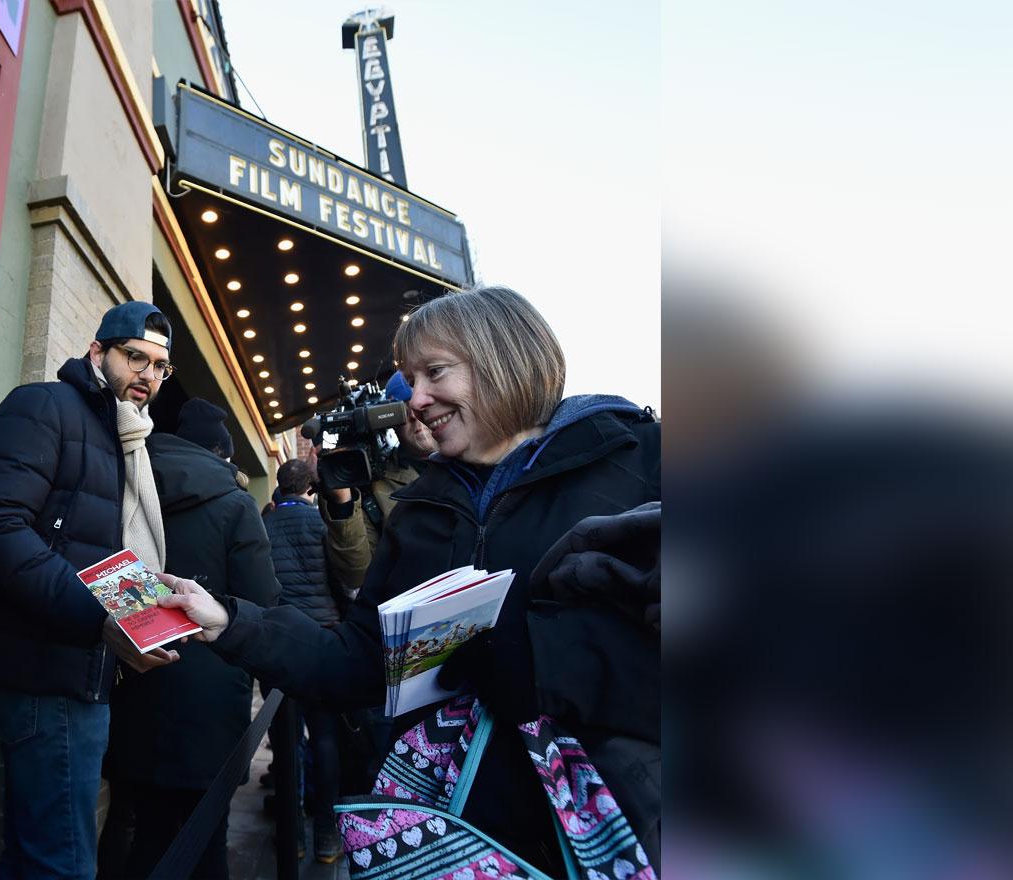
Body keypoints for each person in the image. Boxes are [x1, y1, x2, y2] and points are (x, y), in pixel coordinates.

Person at [160, 285, 662, 875]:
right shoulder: (420, 510)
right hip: (452, 843)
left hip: (619, 829)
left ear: (502, 358)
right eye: (409, 379)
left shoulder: (641, 461)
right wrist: (231, 621)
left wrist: (544, 668)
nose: (415, 401)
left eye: (435, 373)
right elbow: (356, 663)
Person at [0, 300, 182, 880]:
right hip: (48, 676)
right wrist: (100, 617)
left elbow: (97, 549)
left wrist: (148, 607)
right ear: (98, 352)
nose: (147, 374)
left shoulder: (126, 438)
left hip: (80, 674)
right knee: (64, 864)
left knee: (33, 855)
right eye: (134, 358)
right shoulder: (46, 406)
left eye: (159, 366)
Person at [97, 398, 279, 880]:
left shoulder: (124, 486)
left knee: (138, 828)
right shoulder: (236, 503)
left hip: (134, 679)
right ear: (221, 452)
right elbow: (262, 599)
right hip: (211, 698)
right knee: (205, 836)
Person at [264, 458, 346, 864]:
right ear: (310, 489)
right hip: (324, 642)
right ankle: (328, 835)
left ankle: (291, 833)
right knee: (326, 737)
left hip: (279, 643)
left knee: (286, 739)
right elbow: (343, 580)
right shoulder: (323, 524)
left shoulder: (265, 525)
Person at [319, 370, 435, 596]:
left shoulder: (475, 459)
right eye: (403, 409)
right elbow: (356, 575)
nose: (414, 417)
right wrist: (342, 502)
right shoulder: (375, 486)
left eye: (421, 406)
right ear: (389, 419)